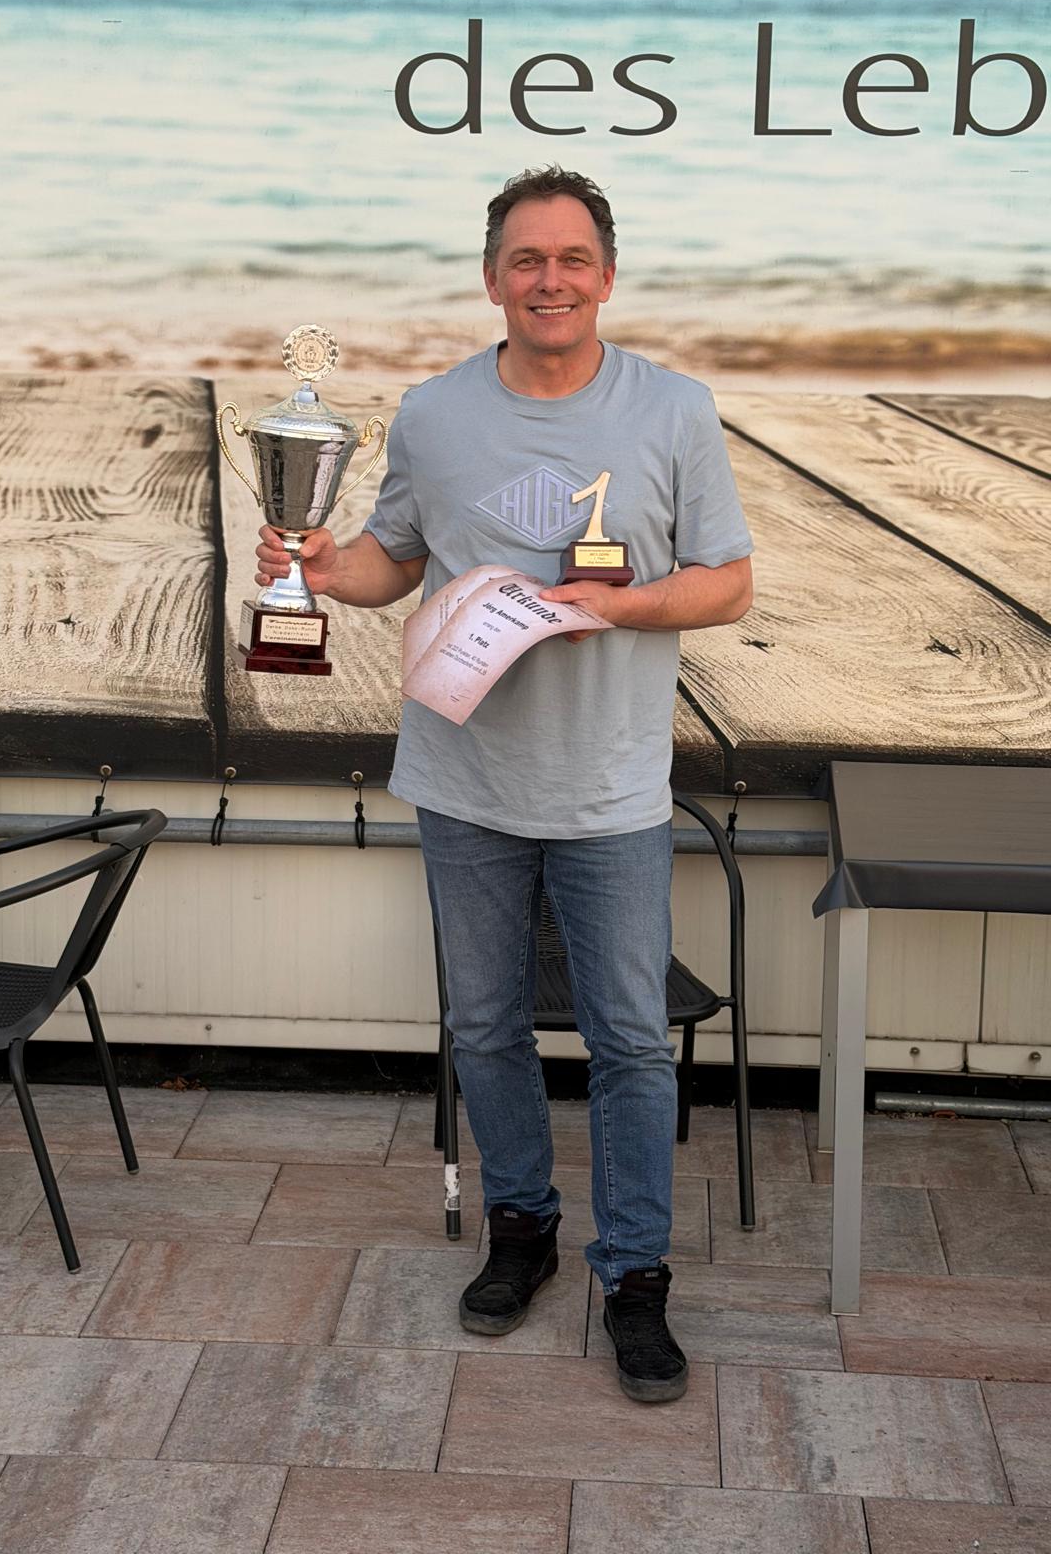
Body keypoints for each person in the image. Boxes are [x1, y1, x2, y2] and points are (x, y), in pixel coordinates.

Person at [256, 166, 753, 1403]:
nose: (550, 279)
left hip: (611, 790)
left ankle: (633, 1274)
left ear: (607, 276)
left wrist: (619, 607)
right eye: (526, 259)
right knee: (484, 1027)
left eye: (572, 257)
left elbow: (728, 582)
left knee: (630, 1041)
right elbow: (391, 562)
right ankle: (521, 1228)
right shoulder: (434, 413)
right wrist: (318, 564)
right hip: (465, 777)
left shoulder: (674, 409)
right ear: (492, 279)